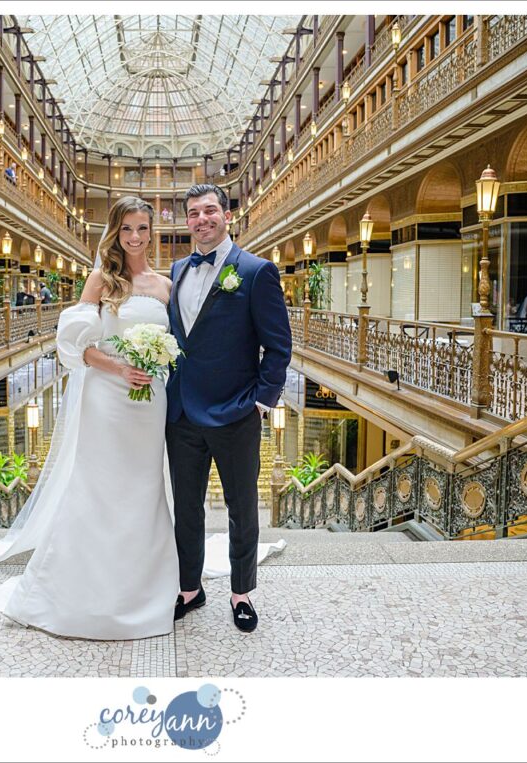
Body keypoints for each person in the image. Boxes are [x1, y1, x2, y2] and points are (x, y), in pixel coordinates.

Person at [0, 196, 178, 639]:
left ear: (151, 232)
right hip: (107, 395)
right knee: (98, 485)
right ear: (115, 233)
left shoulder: (165, 285)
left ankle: (144, 585)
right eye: (127, 229)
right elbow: (76, 348)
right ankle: (81, 588)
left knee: (144, 486)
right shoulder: (102, 280)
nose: (135, 237)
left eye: (142, 228)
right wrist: (120, 367)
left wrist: (156, 366)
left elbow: (176, 343)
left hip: (149, 399)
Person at [167, 183, 292, 633]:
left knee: (242, 508)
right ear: (187, 221)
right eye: (194, 213)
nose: (203, 219)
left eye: (210, 210)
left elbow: (278, 347)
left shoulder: (256, 272)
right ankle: (189, 588)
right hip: (181, 414)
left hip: (236, 412)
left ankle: (241, 593)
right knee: (187, 508)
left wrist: (260, 402)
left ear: (227, 215)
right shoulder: (178, 269)